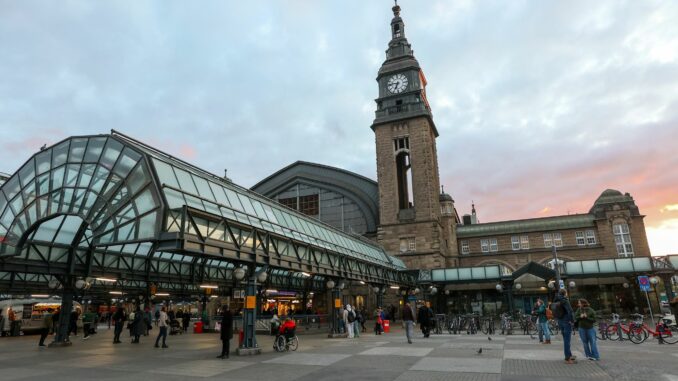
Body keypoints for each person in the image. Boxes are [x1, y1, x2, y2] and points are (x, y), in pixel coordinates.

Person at [555, 288, 576, 364]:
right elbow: (570, 311)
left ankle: (569, 355)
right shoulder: (565, 300)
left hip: (560, 320)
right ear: (565, 293)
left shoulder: (556, 300)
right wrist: (572, 321)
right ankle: (567, 358)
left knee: (565, 339)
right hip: (566, 320)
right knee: (567, 340)